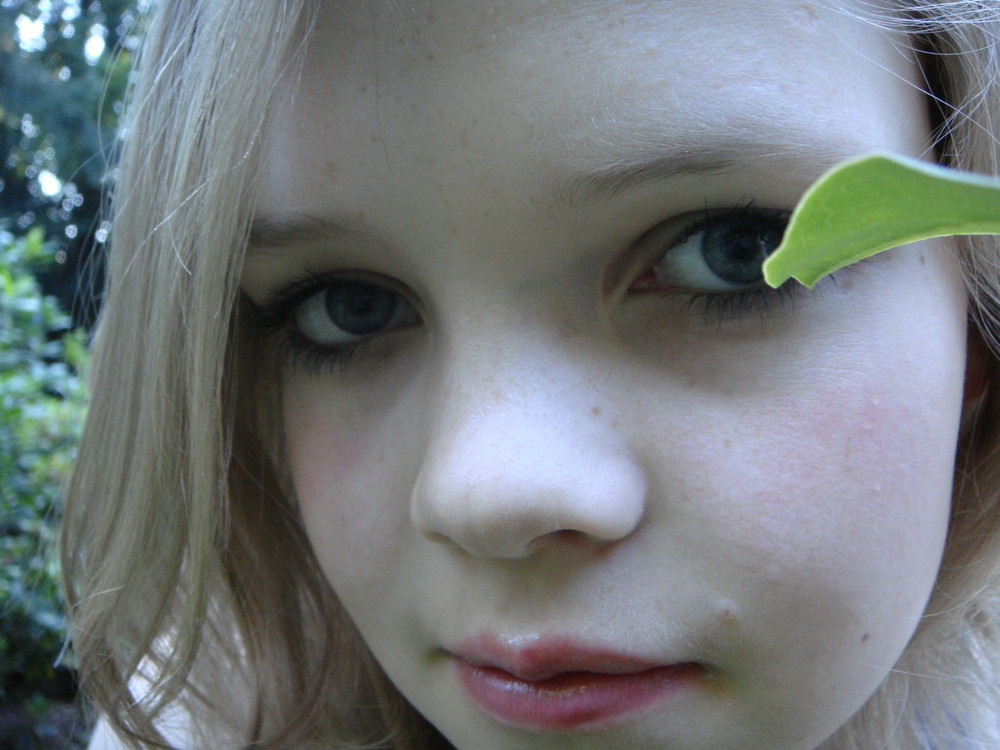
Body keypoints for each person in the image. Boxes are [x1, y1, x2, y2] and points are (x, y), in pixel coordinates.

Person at [64, 1, 1000, 748]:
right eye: (348, 305)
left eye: (731, 251)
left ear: (978, 333)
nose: (487, 492)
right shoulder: (201, 720)